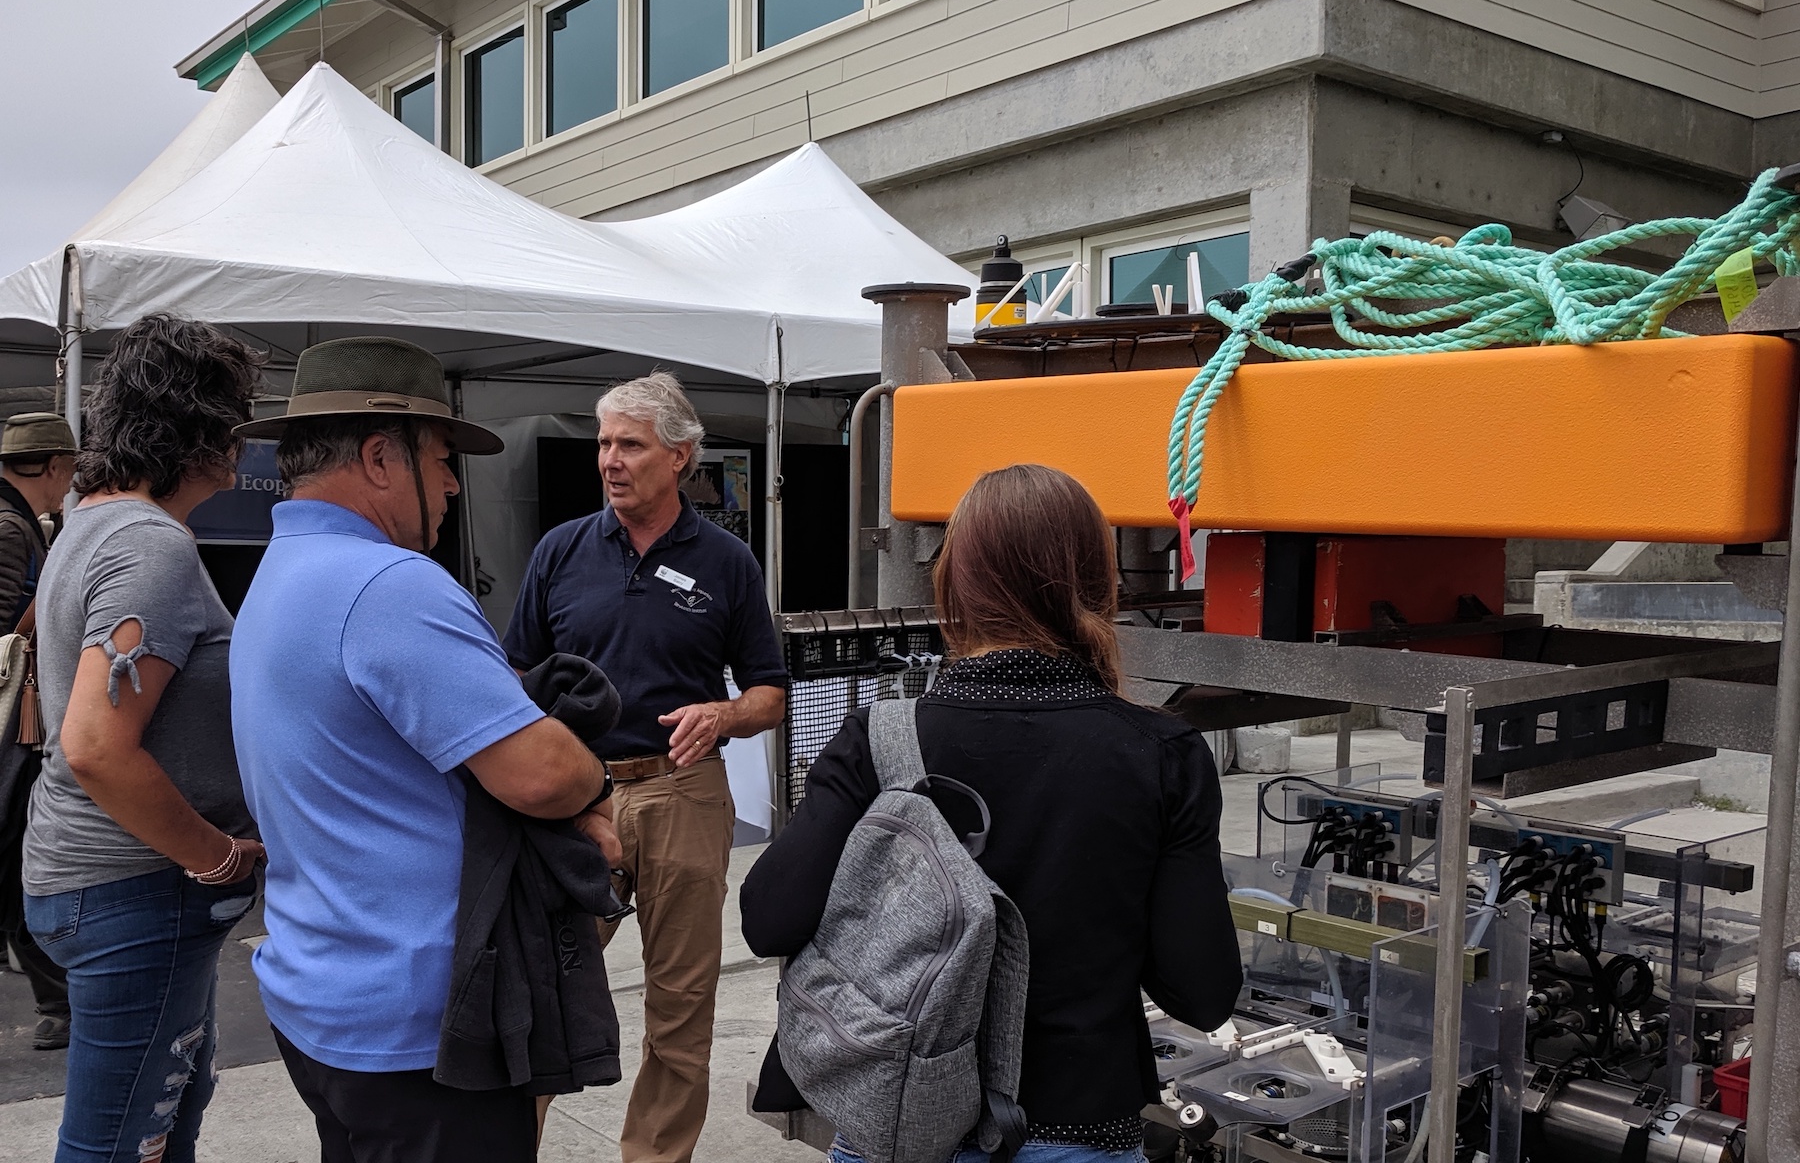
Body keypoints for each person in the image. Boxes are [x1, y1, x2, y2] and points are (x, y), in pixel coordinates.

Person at [741, 464, 1243, 1163]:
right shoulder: (1162, 754)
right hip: (1076, 1127)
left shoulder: (878, 740)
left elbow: (768, 919)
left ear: (955, 583)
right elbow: (1202, 991)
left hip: (899, 1129)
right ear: (1095, 586)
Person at [228, 336, 615, 1163]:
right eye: (440, 460)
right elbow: (543, 775)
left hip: (324, 992)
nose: (449, 484)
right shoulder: (388, 584)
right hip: (417, 1026)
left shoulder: (280, 570)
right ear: (378, 456)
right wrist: (598, 775)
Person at [504, 371, 789, 1163]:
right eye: (603, 443)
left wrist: (726, 714)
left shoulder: (728, 562)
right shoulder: (560, 551)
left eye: (629, 443)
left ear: (680, 456)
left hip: (681, 789)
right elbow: (512, 677)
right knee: (540, 990)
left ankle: (656, 1158)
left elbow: (770, 693)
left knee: (681, 1002)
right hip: (572, 793)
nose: (610, 460)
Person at [21, 315, 265, 1163]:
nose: (242, 442)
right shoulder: (148, 543)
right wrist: (218, 857)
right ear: (201, 429)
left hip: (107, 884)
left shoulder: (90, 522)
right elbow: (93, 743)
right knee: (120, 1141)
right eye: (234, 417)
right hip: (130, 887)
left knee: (165, 1112)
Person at [0, 412, 77, 1051]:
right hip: (9, 732)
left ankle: (57, 1000)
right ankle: (60, 1001)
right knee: (18, 859)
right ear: (52, 467)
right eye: (68, 470)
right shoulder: (9, 528)